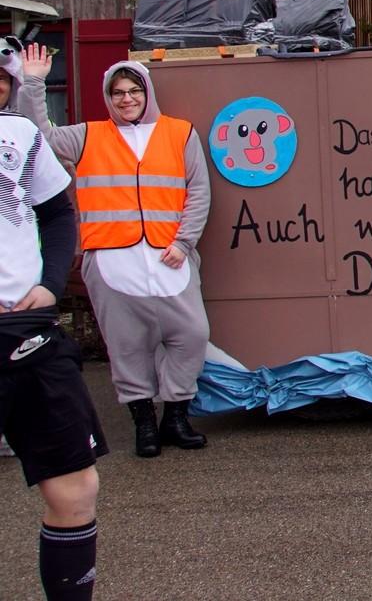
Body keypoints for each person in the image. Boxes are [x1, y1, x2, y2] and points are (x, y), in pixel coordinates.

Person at [19, 46, 212, 457]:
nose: (127, 99)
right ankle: (143, 422)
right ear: (108, 96)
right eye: (119, 92)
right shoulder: (88, 135)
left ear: (147, 92)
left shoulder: (180, 133)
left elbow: (198, 192)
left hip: (169, 257)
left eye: (134, 91)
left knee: (193, 335)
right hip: (111, 261)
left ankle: (175, 417)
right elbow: (39, 136)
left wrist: (184, 242)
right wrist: (34, 82)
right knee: (126, 347)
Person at [2, 38, 105, 600]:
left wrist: (47, 282)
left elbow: (58, 213)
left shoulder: (19, 135)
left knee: (75, 488)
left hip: (26, 331)